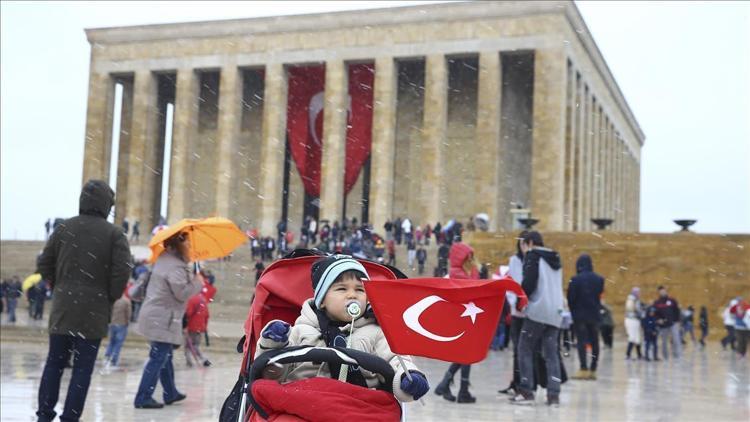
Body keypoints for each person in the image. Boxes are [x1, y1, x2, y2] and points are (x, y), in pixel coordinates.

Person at [255, 254, 429, 404]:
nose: (352, 295)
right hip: (302, 404)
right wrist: (273, 344)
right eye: (342, 289)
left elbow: (397, 361)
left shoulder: (377, 332)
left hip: (359, 407)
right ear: (321, 300)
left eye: (360, 290)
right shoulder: (301, 331)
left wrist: (408, 378)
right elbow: (273, 374)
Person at [36, 180, 131, 422]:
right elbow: (122, 272)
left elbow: (44, 263)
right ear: (106, 205)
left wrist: (60, 287)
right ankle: (70, 417)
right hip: (95, 311)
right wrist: (108, 296)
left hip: (63, 308)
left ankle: (45, 415)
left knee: (54, 364)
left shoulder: (64, 228)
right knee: (82, 369)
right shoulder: (114, 234)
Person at [133, 231, 203, 409]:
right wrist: (197, 282)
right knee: (158, 357)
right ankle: (143, 397)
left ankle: (170, 392)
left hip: (157, 314)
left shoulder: (164, 260)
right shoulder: (175, 266)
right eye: (187, 243)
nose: (190, 247)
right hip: (162, 317)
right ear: (180, 244)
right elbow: (182, 293)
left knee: (165, 355)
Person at [510, 231, 563, 407]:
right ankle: (553, 394)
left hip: (539, 310)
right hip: (555, 311)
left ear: (530, 243)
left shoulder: (534, 255)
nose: (523, 251)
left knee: (524, 347)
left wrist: (520, 301)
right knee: (551, 354)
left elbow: (529, 283)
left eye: (524, 246)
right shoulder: (555, 257)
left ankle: (526, 391)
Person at [434, 241, 479, 403]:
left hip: (462, 319)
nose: (472, 260)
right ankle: (461, 390)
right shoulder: (461, 275)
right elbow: (472, 293)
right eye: (469, 256)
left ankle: (446, 384)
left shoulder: (457, 273)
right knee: (466, 356)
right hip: (465, 319)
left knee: (464, 356)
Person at [498, 231, 527, 397]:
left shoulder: (534, 261)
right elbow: (511, 284)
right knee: (517, 349)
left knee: (525, 351)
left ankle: (525, 383)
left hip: (529, 313)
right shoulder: (515, 261)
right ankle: (517, 382)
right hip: (517, 313)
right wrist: (514, 303)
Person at [567, 254, 604, 380]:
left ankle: (583, 368)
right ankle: (593, 369)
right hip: (594, 315)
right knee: (595, 342)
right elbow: (599, 296)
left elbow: (571, 299)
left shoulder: (575, 279)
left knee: (581, 342)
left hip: (580, 315)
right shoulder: (599, 279)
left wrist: (573, 312)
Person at [103, 288, 132, 370]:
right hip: (122, 323)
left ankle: (107, 356)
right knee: (118, 343)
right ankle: (114, 359)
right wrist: (127, 322)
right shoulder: (126, 301)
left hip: (112, 323)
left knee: (112, 341)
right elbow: (128, 314)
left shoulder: (113, 300)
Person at [184, 288, 212, 368]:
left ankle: (190, 362)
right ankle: (203, 359)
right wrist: (204, 327)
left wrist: (184, 324)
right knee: (196, 345)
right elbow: (207, 315)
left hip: (192, 326)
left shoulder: (192, 299)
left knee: (188, 346)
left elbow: (188, 313)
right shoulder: (203, 300)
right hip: (200, 327)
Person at [653, 286, 681, 360]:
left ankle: (677, 356)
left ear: (666, 291)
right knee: (664, 342)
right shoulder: (657, 303)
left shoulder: (672, 301)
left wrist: (678, 321)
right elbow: (654, 314)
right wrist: (658, 320)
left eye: (664, 291)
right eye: (661, 291)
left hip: (673, 323)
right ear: (659, 292)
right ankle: (666, 357)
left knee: (676, 339)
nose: (662, 292)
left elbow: (677, 311)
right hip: (663, 326)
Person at [624, 287, 644, 359]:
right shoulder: (631, 299)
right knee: (632, 337)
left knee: (637, 338)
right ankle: (628, 354)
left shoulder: (636, 300)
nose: (639, 293)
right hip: (631, 320)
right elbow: (631, 309)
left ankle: (639, 355)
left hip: (635, 320)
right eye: (638, 292)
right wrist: (641, 313)